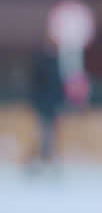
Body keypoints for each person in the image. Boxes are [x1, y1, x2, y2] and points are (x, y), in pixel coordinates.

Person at [26, 34, 65, 175]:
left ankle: (47, 160)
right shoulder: (41, 61)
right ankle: (38, 161)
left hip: (53, 105)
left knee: (51, 134)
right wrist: (36, 102)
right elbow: (36, 85)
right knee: (43, 133)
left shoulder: (56, 61)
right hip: (43, 105)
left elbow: (59, 86)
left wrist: (60, 102)